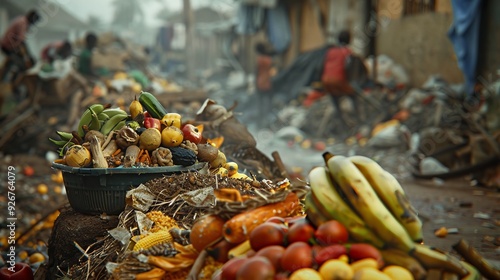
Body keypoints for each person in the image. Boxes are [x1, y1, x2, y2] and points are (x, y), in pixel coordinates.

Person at [320, 30, 361, 132]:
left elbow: (323, 65)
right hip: (338, 80)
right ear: (349, 40)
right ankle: (358, 122)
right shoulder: (348, 52)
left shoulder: (330, 51)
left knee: (336, 101)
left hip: (326, 80)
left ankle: (341, 124)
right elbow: (351, 67)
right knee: (354, 96)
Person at [0, 10, 40, 83]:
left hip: (10, 46)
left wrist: (27, 55)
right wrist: (29, 55)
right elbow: (21, 42)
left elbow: (21, 42)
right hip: (8, 47)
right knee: (23, 65)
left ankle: (5, 79)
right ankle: (11, 84)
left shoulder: (22, 20)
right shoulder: (23, 23)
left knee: (16, 61)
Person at [255, 42, 277, 127]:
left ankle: (260, 123)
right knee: (267, 104)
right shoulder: (267, 60)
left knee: (260, 104)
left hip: (260, 83)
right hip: (267, 84)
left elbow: (256, 72)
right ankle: (266, 123)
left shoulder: (259, 59)